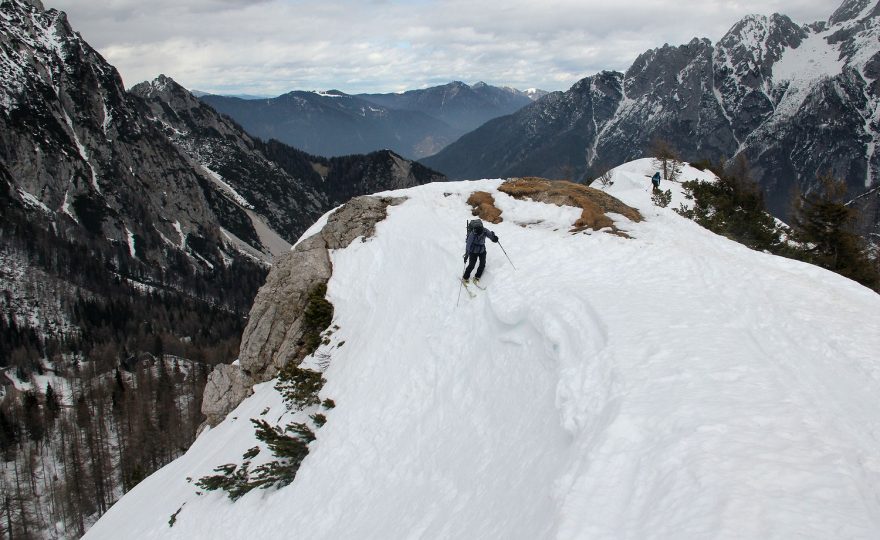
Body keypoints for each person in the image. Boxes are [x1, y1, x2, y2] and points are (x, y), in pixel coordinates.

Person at [462, 219, 499, 283]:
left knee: (482, 264)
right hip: (473, 251)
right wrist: (467, 255)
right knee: (472, 265)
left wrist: (494, 239)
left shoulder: (485, 231)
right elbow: (468, 245)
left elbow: (490, 235)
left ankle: (477, 277)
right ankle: (465, 277)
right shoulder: (472, 234)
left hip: (482, 250)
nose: (478, 235)